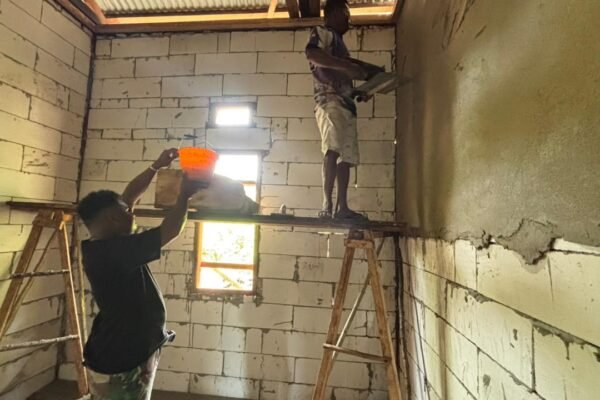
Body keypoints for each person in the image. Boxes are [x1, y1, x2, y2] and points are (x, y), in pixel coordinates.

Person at [77, 149, 206, 399]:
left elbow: (129, 195)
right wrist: (184, 196)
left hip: (122, 349)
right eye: (126, 212)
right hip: (123, 357)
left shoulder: (104, 243)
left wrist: (156, 166)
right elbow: (170, 231)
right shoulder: (114, 252)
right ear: (112, 218)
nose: (131, 212)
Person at [306, 0, 384, 220]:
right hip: (329, 100)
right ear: (332, 14)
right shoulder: (323, 32)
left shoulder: (340, 46)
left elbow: (346, 74)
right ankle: (327, 205)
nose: (349, 19)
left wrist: (362, 90)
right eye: (345, 13)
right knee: (332, 150)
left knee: (347, 158)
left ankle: (342, 208)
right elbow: (312, 54)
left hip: (346, 104)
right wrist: (347, 66)